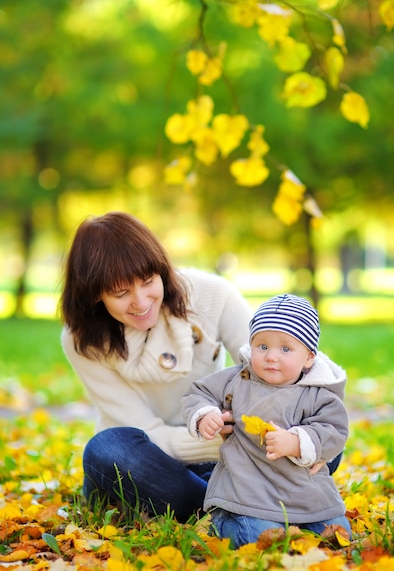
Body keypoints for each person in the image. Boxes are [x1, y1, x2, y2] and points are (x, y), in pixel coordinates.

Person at [59, 211, 253, 523]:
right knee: (106, 448)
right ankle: (234, 502)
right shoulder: (82, 339)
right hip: (146, 461)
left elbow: (270, 369)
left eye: (148, 282)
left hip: (218, 443)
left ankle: (218, 501)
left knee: (308, 436)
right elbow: (143, 432)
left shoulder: (213, 295)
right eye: (121, 293)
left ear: (161, 270)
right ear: (95, 293)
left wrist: (261, 437)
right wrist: (226, 444)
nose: (140, 301)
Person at [182, 294, 351, 547]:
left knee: (338, 533)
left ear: (308, 357)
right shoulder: (237, 379)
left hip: (301, 488)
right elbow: (198, 393)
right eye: (262, 346)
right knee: (258, 538)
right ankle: (221, 520)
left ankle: (299, 524)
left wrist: (296, 442)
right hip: (249, 488)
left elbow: (334, 429)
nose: (271, 356)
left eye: (285, 349)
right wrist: (205, 414)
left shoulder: (318, 392)